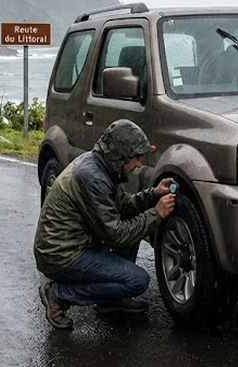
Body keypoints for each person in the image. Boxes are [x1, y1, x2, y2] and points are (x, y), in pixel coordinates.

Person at [34, 119, 176, 330]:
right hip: (60, 255)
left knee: (133, 224)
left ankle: (112, 300)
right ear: (119, 156)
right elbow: (116, 235)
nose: (139, 164)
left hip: (78, 243)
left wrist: (152, 195)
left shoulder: (102, 166)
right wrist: (156, 215)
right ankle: (58, 295)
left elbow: (123, 206)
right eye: (135, 158)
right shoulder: (92, 178)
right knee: (137, 281)